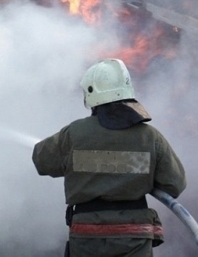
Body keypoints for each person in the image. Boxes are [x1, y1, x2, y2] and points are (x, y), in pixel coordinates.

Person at [32, 59, 186, 257]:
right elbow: (175, 184)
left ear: (91, 94)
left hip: (87, 238)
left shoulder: (74, 134)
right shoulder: (150, 137)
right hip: (134, 239)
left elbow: (41, 160)